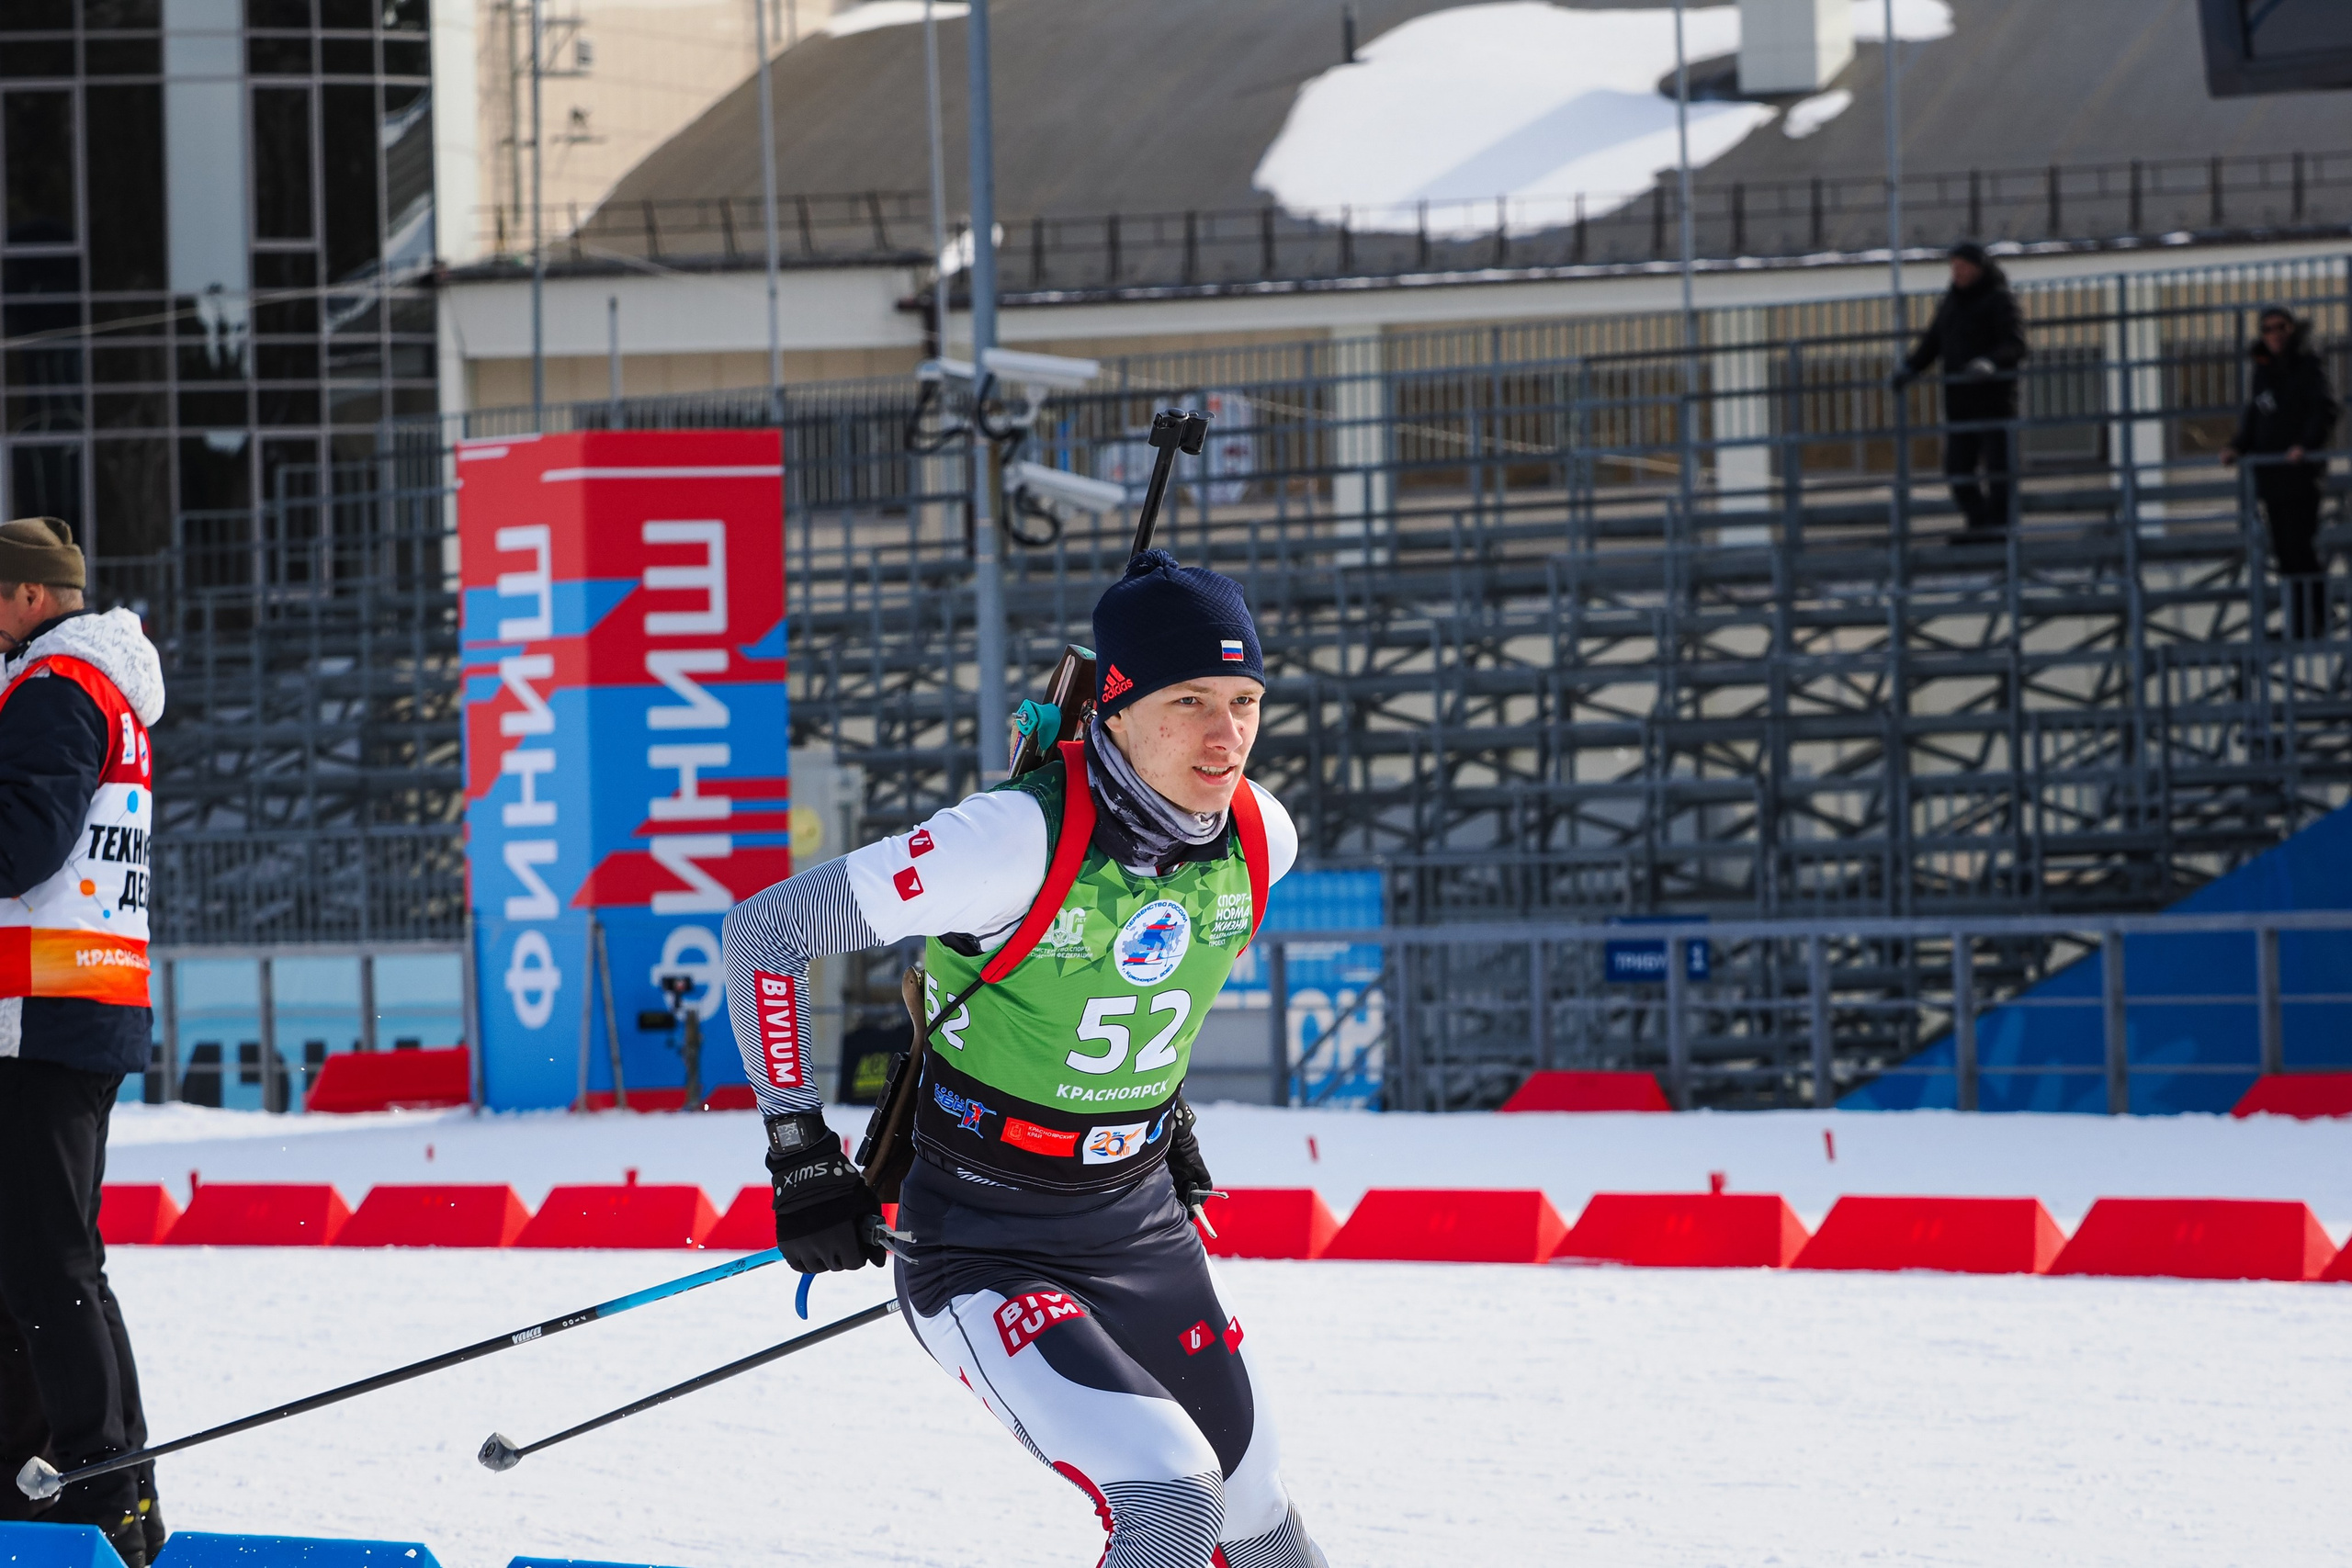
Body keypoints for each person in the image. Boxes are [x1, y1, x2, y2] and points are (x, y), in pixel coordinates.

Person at [722, 549, 1329, 1568]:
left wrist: (1157, 1118)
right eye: (1189, 700)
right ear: (1118, 708)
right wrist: (800, 1153)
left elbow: (1129, 988)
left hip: (1139, 1227)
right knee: (1172, 1498)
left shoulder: (1263, 836)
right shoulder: (1009, 841)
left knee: (1256, 1511)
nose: (1227, 738)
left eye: (1245, 699)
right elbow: (762, 935)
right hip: (985, 1241)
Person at [0, 518, 167, 1566]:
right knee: (29, 1259)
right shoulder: (94, 689)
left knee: (52, 1259)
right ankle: (51, 1470)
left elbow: (22, 845)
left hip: (46, 1013)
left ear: (25, 597)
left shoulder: (59, 689)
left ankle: (101, 1476)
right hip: (74, 1005)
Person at [1893, 241, 2030, 538]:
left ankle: (1999, 530)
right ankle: (1979, 524)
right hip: (1959, 403)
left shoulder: (1999, 299)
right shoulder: (1951, 303)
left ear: (1979, 268)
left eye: (1962, 266)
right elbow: (1932, 343)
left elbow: (2016, 345)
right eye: (1953, 267)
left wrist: (1989, 363)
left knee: (1999, 470)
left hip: (1995, 402)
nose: (1957, 272)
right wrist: (1909, 369)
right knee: (1957, 470)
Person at [2222, 304, 2340, 640]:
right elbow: (2256, 416)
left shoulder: (2307, 364)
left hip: (2300, 476)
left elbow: (2325, 408)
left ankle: (2317, 616)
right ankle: (2302, 622)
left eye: (2280, 327)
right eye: (2268, 329)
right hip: (2272, 477)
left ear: (2291, 330)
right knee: (2285, 553)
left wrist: (2305, 445)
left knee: (2299, 547)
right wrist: (2237, 447)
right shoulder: (2262, 370)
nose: (2274, 334)